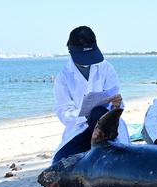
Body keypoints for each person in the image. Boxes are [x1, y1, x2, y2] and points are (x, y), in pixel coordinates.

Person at [52, 26, 129, 164]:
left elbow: (114, 102)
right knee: (59, 163)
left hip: (107, 128)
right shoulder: (63, 76)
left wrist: (117, 104)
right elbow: (63, 111)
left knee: (98, 113)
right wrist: (85, 116)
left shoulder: (106, 68)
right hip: (79, 128)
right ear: (70, 51)